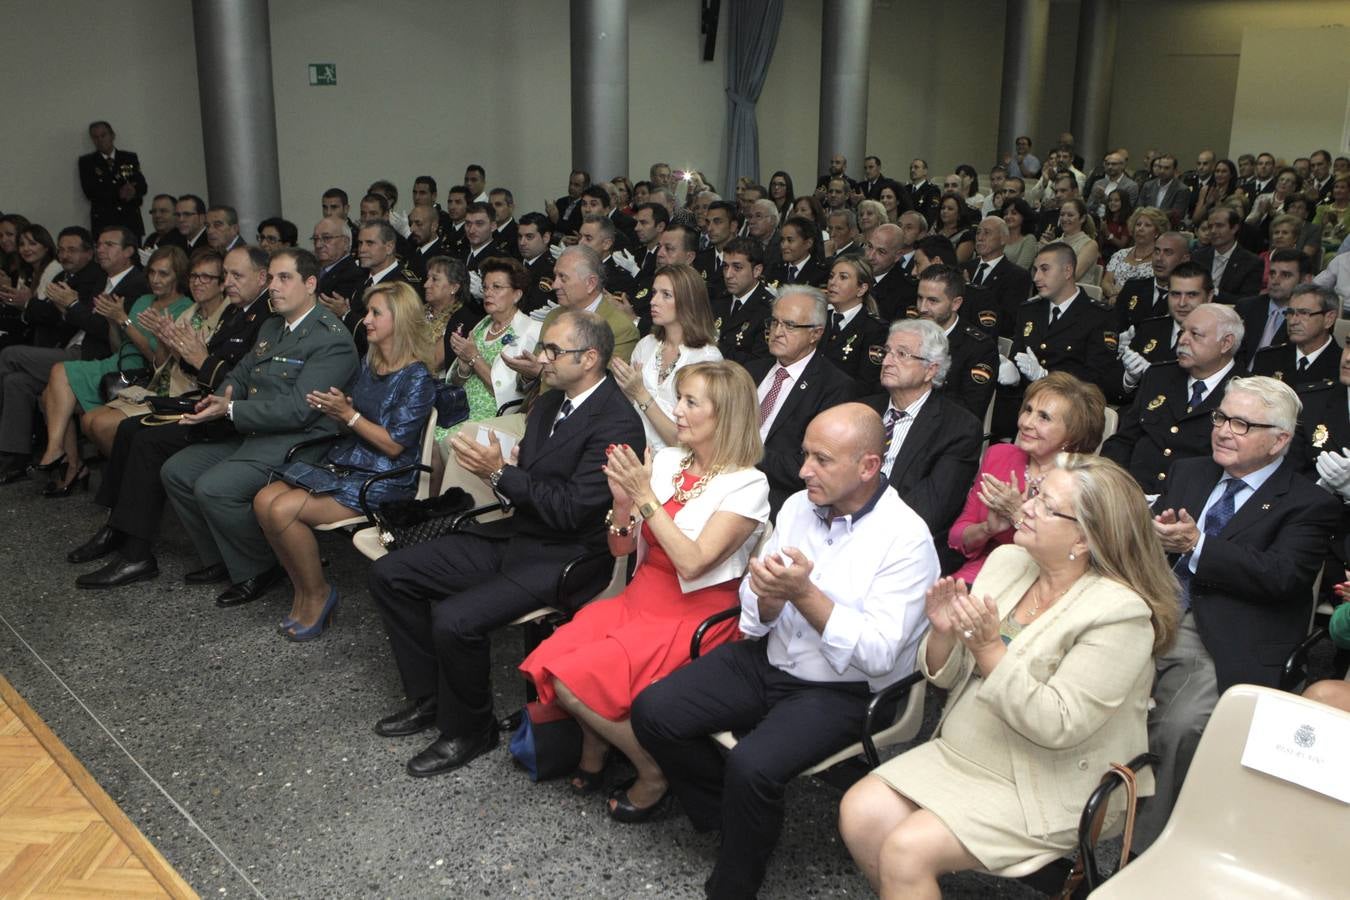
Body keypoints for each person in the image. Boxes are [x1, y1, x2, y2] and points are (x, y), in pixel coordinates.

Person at [631, 402, 937, 898]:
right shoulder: (797, 505)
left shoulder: (906, 540)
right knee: (653, 710)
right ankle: (730, 815)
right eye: (805, 455)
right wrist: (768, 599)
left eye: (821, 459)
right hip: (771, 655)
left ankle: (736, 877)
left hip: (844, 689)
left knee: (752, 766)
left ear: (867, 467)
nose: (802, 470)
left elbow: (879, 656)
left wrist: (804, 594)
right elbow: (755, 610)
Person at [839, 455, 1180, 892]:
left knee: (907, 850)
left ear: (1084, 537)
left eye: (1046, 504)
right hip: (968, 749)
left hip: (1046, 778)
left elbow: (1058, 724)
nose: (1028, 507)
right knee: (860, 813)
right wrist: (943, 635)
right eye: (1036, 494)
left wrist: (988, 649)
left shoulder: (1120, 615)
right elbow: (947, 679)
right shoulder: (1008, 563)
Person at [369, 310, 646, 777]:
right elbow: (527, 486)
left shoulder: (617, 423)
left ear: (591, 358)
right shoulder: (551, 401)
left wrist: (500, 473)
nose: (543, 358)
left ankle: (470, 729)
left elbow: (571, 511)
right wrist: (499, 474)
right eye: (546, 348)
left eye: (554, 351)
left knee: (455, 619)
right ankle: (430, 699)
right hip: (519, 534)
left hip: (566, 556)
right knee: (390, 573)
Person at [521, 361, 769, 815]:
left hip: (693, 614)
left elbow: (693, 564)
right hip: (640, 597)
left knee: (571, 682)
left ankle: (651, 768)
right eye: (680, 397)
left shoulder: (747, 485)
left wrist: (645, 498)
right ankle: (597, 751)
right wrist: (621, 505)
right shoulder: (671, 460)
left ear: (725, 415)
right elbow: (620, 549)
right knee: (557, 654)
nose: (676, 409)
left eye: (692, 402)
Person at [1138, 376, 1340, 850]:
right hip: (1156, 610)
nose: (1224, 431)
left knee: (1178, 725)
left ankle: (1142, 850)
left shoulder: (1310, 503)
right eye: (1221, 418)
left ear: (1280, 440)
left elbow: (1282, 576)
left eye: (1242, 424)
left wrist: (1197, 545)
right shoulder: (1191, 472)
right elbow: (1156, 540)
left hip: (1228, 631)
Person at [161, 248, 359, 606]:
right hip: (255, 431)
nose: (274, 287)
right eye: (271, 278)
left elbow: (299, 411)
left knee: (214, 487)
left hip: (299, 442)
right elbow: (241, 372)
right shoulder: (272, 326)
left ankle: (259, 567)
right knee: (177, 471)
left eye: (285, 278)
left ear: (311, 284)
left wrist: (232, 409)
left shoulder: (331, 339)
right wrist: (215, 402)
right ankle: (222, 558)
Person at [67, 246, 274, 589]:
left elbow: (242, 381)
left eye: (236, 276)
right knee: (131, 429)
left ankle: (136, 555)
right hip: (207, 403)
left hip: (232, 416)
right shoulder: (238, 312)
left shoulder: (263, 318)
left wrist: (199, 359)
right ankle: (117, 527)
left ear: (261, 278)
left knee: (148, 438)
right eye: (227, 275)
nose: (228, 283)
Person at [254, 283, 435, 641]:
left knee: (282, 510)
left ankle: (318, 594)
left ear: (398, 320)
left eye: (375, 313)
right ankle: (304, 590)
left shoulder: (417, 376)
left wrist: (347, 415)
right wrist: (336, 408)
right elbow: (354, 413)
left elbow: (396, 446)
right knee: (263, 500)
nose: (365, 320)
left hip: (386, 476)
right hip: (351, 461)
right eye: (367, 312)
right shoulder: (372, 361)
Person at [36, 245, 191, 496]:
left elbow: (155, 359)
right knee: (49, 395)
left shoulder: (183, 307)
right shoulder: (143, 300)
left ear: (178, 275)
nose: (155, 279)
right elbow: (118, 345)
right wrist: (112, 320)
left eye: (163, 274)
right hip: (117, 362)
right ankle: (69, 461)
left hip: (143, 373)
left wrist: (124, 321)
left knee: (56, 379)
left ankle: (64, 458)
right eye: (151, 272)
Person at [950, 372, 1106, 583]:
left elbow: (1070, 559)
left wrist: (1016, 515)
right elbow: (956, 536)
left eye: (1044, 417)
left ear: (1074, 434)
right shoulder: (999, 456)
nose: (1026, 422)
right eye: (1028, 410)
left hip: (1042, 584)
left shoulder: (1081, 481)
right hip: (983, 573)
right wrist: (987, 529)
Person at [82, 249, 230, 456]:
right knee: (88, 419)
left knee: (102, 425)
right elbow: (160, 362)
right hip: (161, 385)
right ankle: (127, 472)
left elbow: (201, 369)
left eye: (206, 277)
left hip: (187, 393)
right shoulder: (191, 313)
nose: (197, 282)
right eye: (194, 276)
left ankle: (130, 476)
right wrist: (161, 337)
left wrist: (174, 343)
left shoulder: (228, 317)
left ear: (222, 283)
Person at [866, 320, 982, 563]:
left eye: (902, 354)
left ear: (931, 370)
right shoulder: (862, 409)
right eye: (887, 351)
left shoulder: (958, 428)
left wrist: (860, 522)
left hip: (904, 547)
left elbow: (930, 509)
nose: (887, 361)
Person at [1106, 300, 1240, 494]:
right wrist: (1113, 486)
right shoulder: (1158, 376)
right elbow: (1124, 440)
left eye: (1195, 334)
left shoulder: (1245, 393)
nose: (1182, 340)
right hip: (1131, 494)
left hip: (1190, 505)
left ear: (1226, 343)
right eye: (1182, 332)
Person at [746, 288, 856, 515]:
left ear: (815, 334)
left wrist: (745, 451)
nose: (777, 332)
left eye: (790, 325)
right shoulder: (751, 371)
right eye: (774, 322)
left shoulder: (834, 387)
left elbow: (809, 466)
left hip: (778, 500)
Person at [610, 264, 721, 451]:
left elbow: (689, 443)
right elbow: (625, 413)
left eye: (666, 295)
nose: (653, 301)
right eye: (654, 293)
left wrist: (640, 393)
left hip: (676, 464)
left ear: (689, 301)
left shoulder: (706, 359)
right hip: (631, 452)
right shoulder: (646, 345)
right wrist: (626, 392)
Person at [821, 255, 888, 395]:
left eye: (843, 277)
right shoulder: (819, 319)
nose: (833, 282)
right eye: (831, 276)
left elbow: (867, 384)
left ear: (861, 289)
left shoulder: (875, 330)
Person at [78, 121, 147, 237]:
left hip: (130, 221)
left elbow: (142, 186)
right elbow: (90, 192)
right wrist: (118, 193)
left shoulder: (129, 158)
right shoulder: (87, 162)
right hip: (105, 222)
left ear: (112, 135)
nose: (100, 140)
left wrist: (133, 190)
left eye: (103, 135)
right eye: (95, 137)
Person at [1100, 206, 1168, 302]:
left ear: (1157, 232)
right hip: (1113, 304)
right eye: (1138, 224)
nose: (1140, 228)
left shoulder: (1160, 259)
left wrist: (1123, 296)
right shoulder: (1120, 254)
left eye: (1147, 225)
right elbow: (1106, 282)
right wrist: (1113, 294)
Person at [931, 192, 975, 264]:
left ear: (960, 213)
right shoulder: (934, 230)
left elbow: (955, 262)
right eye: (943, 208)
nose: (945, 211)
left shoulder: (967, 236)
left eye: (950, 209)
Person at [998, 198, 1039, 270]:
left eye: (1014, 213)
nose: (1008, 216)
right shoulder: (999, 236)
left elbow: (1021, 270)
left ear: (1024, 216)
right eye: (1005, 213)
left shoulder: (1029, 239)